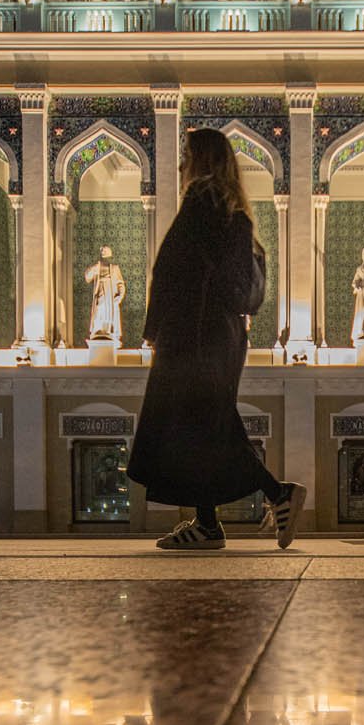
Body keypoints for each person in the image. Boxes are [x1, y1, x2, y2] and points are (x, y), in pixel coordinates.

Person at [128, 128, 306, 550]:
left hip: (195, 332)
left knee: (206, 423)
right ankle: (208, 523)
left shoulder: (202, 201)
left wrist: (156, 331)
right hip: (218, 332)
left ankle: (277, 494)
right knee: (202, 425)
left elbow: (172, 272)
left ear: (203, 159)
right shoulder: (232, 211)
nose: (181, 163)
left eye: (186, 153)